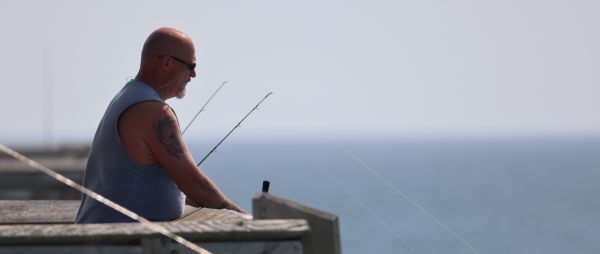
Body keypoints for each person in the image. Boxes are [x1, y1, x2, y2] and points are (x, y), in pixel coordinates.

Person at [75, 27, 245, 223]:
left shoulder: (127, 96)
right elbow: (195, 186)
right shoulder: (153, 111)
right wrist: (247, 220)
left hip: (108, 233)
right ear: (167, 62)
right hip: (119, 241)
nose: (194, 74)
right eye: (191, 65)